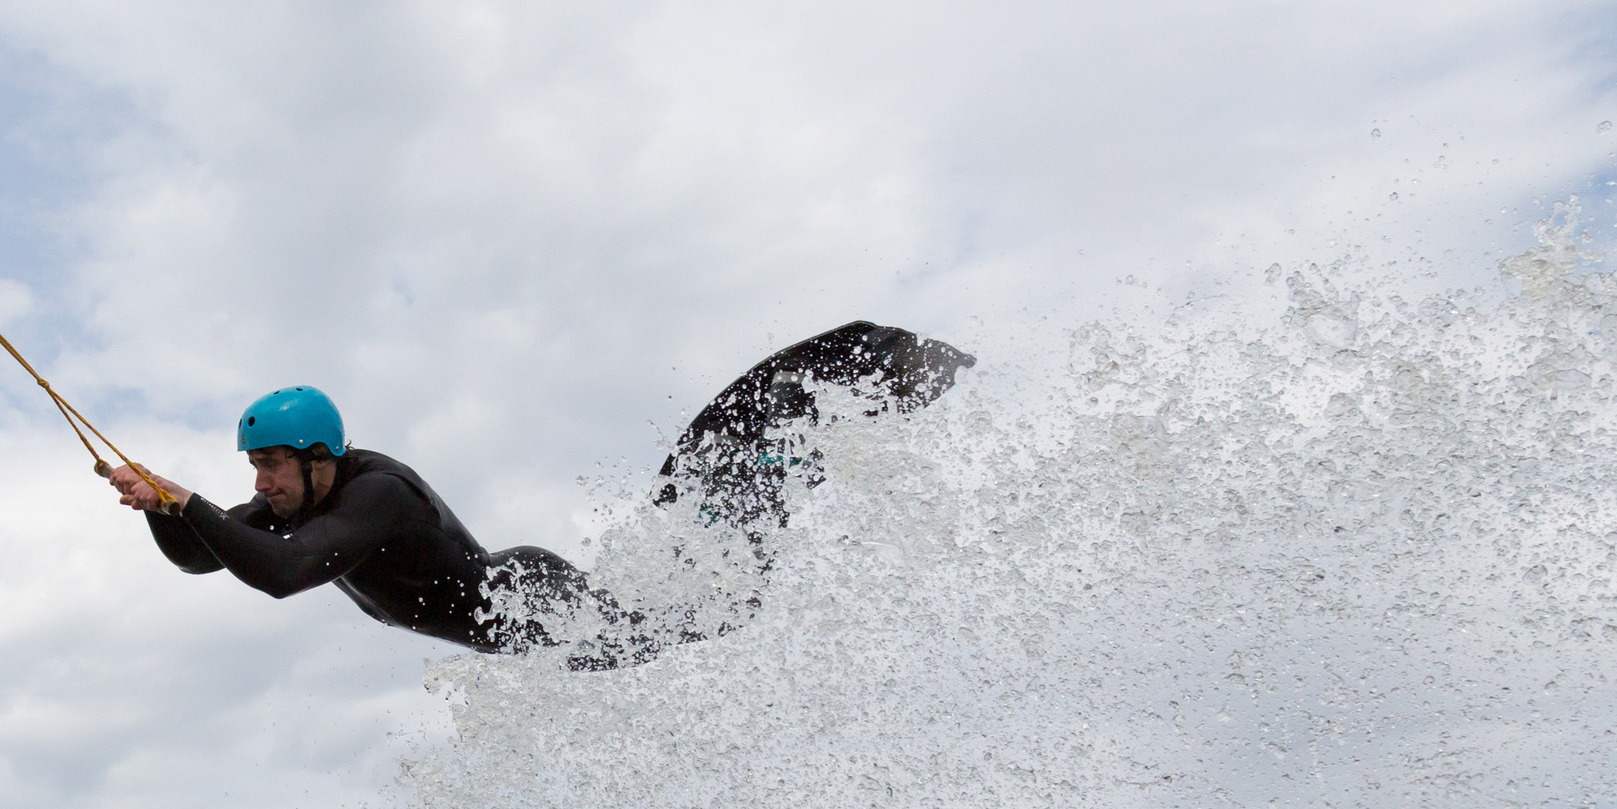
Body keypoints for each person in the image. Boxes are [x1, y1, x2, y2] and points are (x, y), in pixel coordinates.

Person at [108, 321, 972, 665]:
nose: (258, 488)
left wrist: (185, 500)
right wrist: (159, 508)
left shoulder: (377, 499)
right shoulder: (293, 500)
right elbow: (203, 555)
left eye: (272, 470)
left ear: (319, 458)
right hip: (521, 625)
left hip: (531, 604)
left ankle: (799, 433)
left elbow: (280, 574)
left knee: (715, 607)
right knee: (696, 618)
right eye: (254, 473)